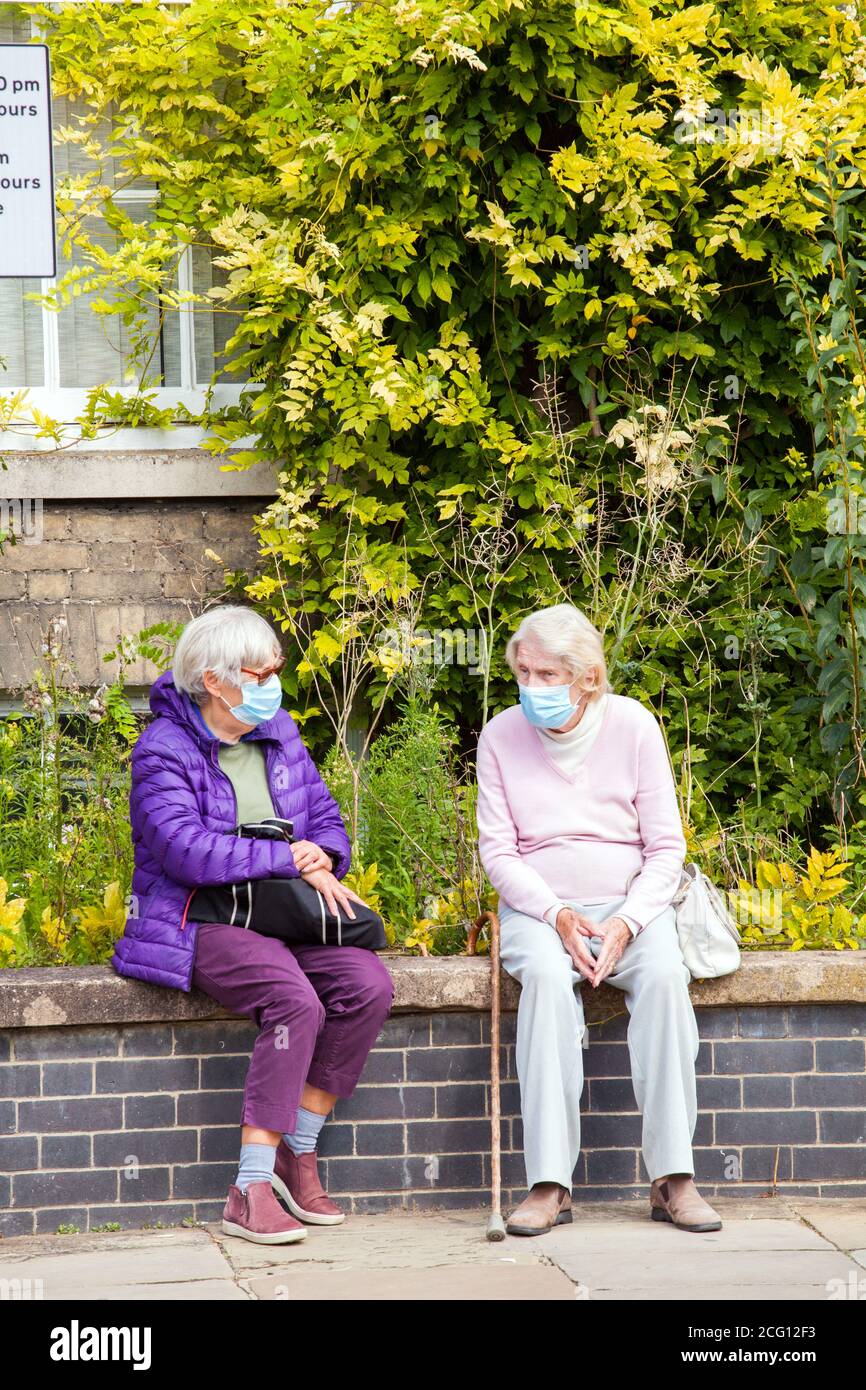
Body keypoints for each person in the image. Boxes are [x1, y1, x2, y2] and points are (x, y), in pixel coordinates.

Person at [112, 604, 394, 1245]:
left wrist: (325, 851)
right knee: (294, 1002)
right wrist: (287, 856)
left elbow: (322, 814)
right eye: (258, 672)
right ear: (215, 681)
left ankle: (299, 1147)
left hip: (283, 913)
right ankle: (250, 1186)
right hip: (196, 918)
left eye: (276, 669)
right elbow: (184, 851)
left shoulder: (279, 731)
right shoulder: (164, 750)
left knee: (368, 987)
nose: (273, 681)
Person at [475, 603, 722, 1236]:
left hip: (628, 907)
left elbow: (666, 849)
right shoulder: (500, 735)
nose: (532, 689)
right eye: (524, 673)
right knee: (550, 988)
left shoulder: (634, 726)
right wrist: (557, 913)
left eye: (547, 676)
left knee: (666, 979)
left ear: (588, 676)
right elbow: (498, 853)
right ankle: (550, 1183)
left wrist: (629, 923)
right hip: (540, 908)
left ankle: (673, 1178)